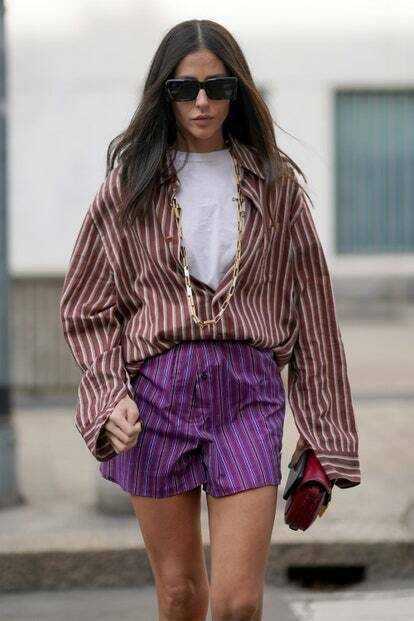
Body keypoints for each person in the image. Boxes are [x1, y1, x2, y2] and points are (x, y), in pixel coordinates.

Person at [60, 18, 361, 621]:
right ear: (162, 95)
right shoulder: (128, 188)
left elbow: (314, 316)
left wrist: (325, 437)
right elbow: (86, 306)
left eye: (216, 87)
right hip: (155, 402)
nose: (201, 102)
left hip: (248, 394)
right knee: (179, 595)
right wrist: (105, 395)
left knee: (238, 602)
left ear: (238, 91)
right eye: (183, 89)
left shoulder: (276, 188)